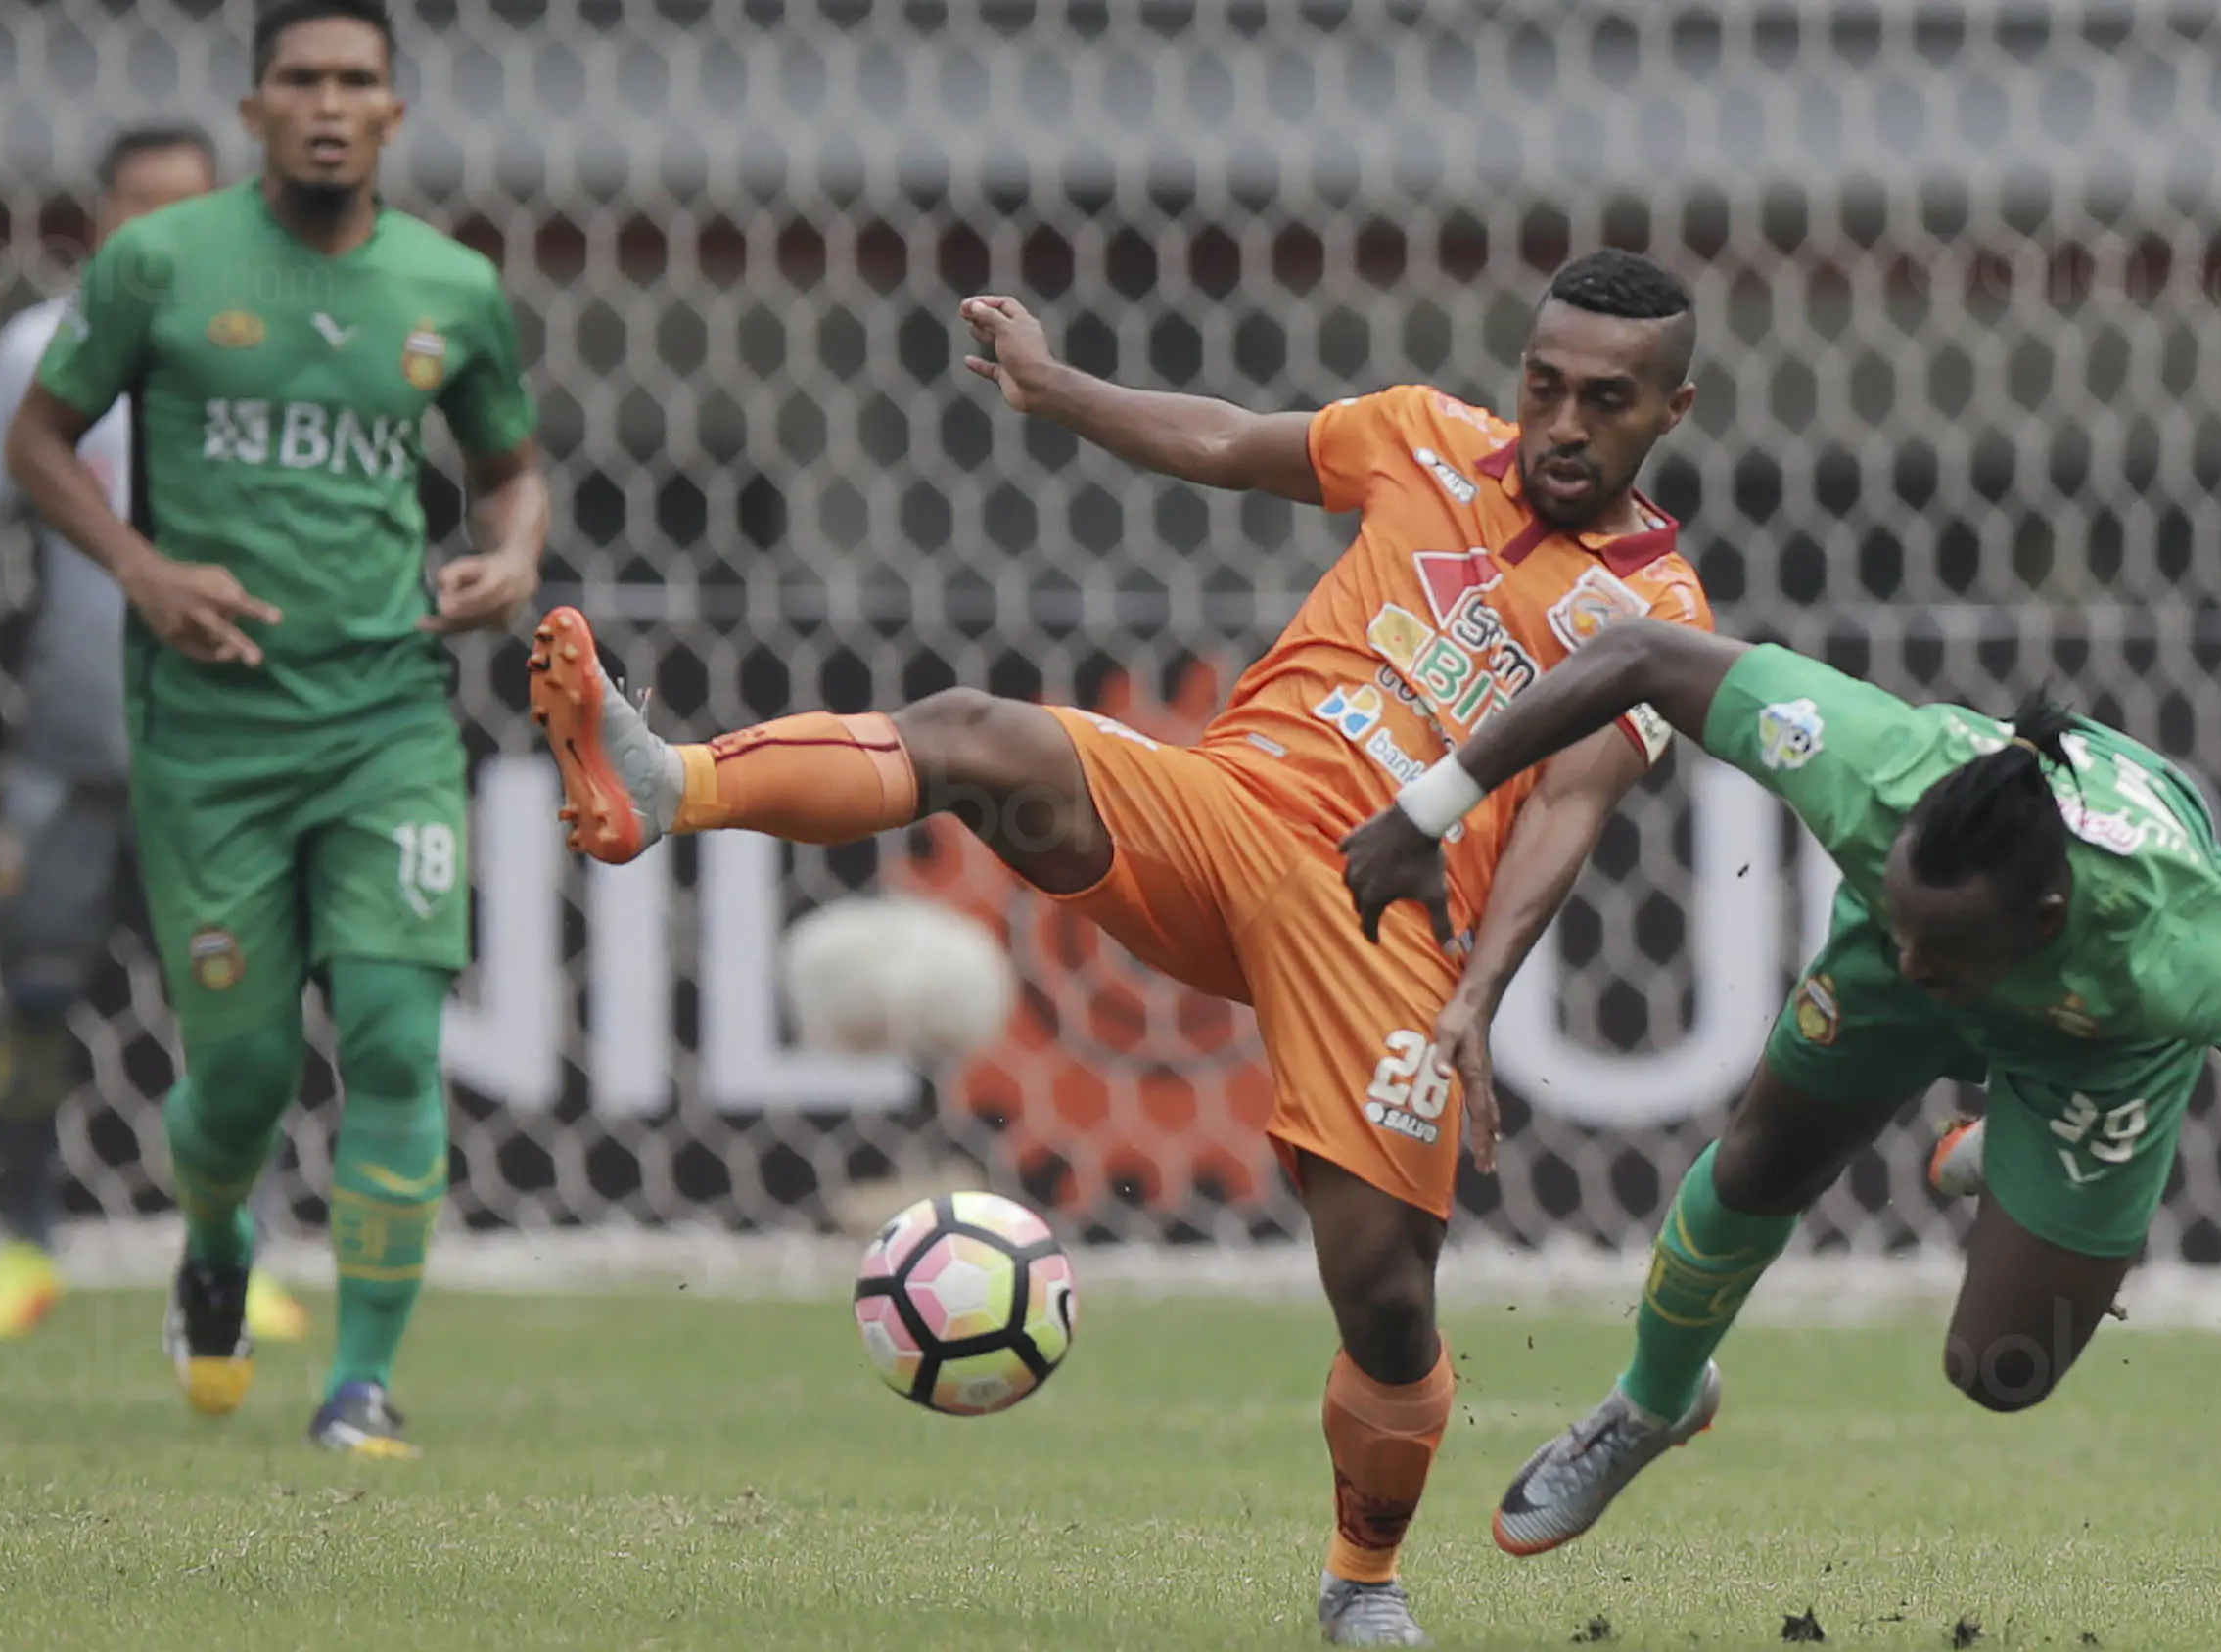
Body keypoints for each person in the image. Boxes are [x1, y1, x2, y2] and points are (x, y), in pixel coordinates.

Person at [531, 251, 1715, 1645]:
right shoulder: (1427, 436)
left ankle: (1362, 1579)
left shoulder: (1657, 621)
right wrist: (1053, 387)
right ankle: (668, 787)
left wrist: (1479, 995)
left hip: (1381, 922)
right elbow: (1225, 438)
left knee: (1387, 1299)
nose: (1565, 424)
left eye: (1606, 400)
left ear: (1670, 412)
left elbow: (1562, 814)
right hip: (1221, 810)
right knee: (982, 733)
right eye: (1546, 385)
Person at [1336, 620, 2221, 1552]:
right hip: (1903, 962)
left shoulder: (2180, 944)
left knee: (2001, 1373)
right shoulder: (1870, 767)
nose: (1923, 971)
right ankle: (1651, 1400)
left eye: (1946, 951)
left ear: (2045, 922)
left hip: (2098, 1051)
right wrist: (1425, 809)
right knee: (1763, 1157)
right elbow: (1635, 654)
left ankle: (2014, 1151)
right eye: (1902, 909)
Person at [3, 0, 549, 1457]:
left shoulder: (452, 288)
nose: (327, 102)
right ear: (252, 112)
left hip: (388, 721)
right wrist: (142, 568)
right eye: (299, 79)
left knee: (390, 1037)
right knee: (239, 1076)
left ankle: (360, 1386)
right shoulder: (158, 265)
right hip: (211, 732)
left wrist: (513, 558)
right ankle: (210, 1242)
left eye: (355, 81)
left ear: (394, 115)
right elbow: (34, 442)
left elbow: (512, 470)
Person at [0, 123, 311, 1349]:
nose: (162, 229)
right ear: (103, 216)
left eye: (188, 205)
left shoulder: (268, 346)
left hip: (219, 754)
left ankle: (238, 1247)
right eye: (139, 207)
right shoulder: (39, 350)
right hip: (68, 749)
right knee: (32, 997)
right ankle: (22, 1242)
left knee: (235, 1010)